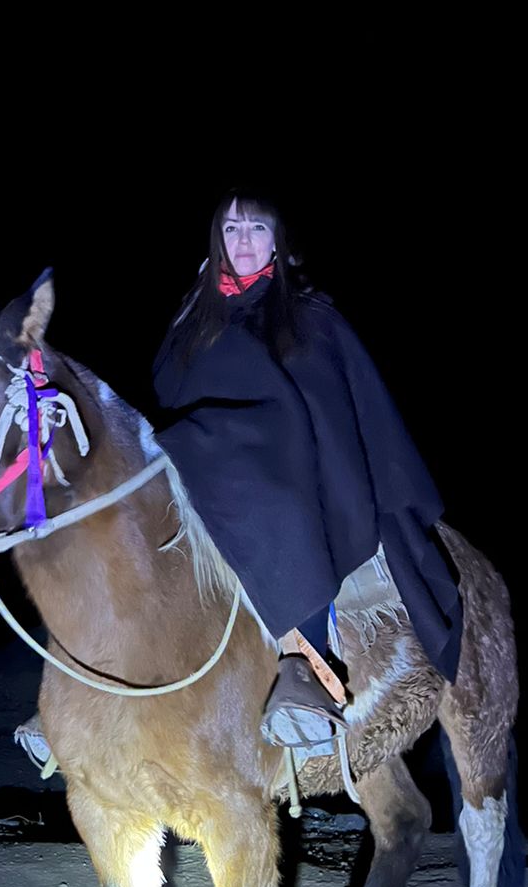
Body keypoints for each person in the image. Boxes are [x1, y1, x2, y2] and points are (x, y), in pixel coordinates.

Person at [151, 189, 463, 749]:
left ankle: (302, 662)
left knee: (281, 502)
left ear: (278, 240)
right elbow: (171, 395)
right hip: (205, 461)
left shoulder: (308, 316)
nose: (242, 243)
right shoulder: (195, 318)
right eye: (231, 229)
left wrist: (264, 439)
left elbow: (326, 410)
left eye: (257, 229)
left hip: (296, 472)